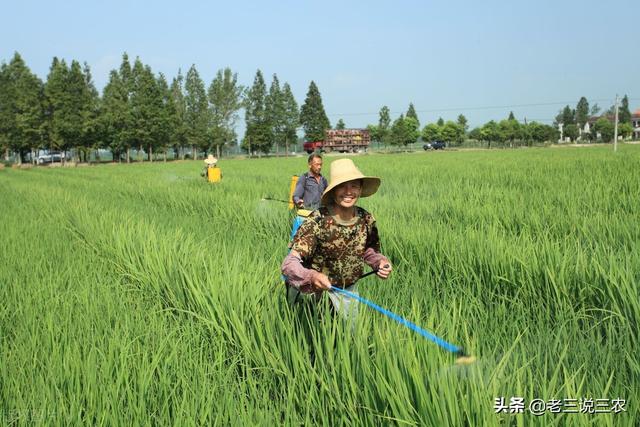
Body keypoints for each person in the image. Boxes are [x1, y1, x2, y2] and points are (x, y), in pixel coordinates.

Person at [281, 158, 393, 320]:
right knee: (313, 338)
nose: (348, 191)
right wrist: (312, 277)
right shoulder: (318, 220)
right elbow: (289, 264)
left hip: (348, 291)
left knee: (349, 338)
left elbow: (369, 251)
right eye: (342, 186)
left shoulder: (366, 219)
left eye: (354, 185)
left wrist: (380, 262)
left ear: (360, 189)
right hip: (314, 292)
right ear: (333, 191)